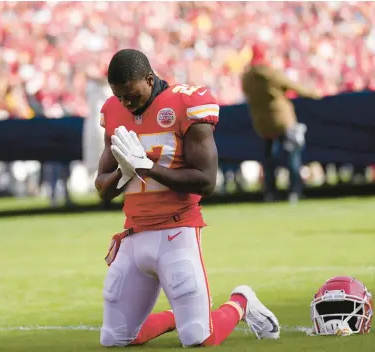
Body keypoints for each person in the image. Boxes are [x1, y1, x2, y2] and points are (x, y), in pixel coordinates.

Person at [95, 49, 280, 348]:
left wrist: (148, 168)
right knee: (116, 339)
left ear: (150, 79)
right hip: (134, 233)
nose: (126, 103)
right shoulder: (114, 111)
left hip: (176, 231)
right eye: (119, 97)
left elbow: (207, 181)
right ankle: (176, 316)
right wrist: (125, 172)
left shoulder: (185, 103)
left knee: (199, 337)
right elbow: (103, 190)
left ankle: (240, 302)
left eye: (132, 95)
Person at [242, 43, 321, 203]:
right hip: (282, 120)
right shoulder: (271, 73)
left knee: (269, 160)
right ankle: (294, 191)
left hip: (262, 122)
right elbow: (294, 87)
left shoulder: (247, 77)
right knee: (292, 155)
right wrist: (314, 94)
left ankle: (270, 192)